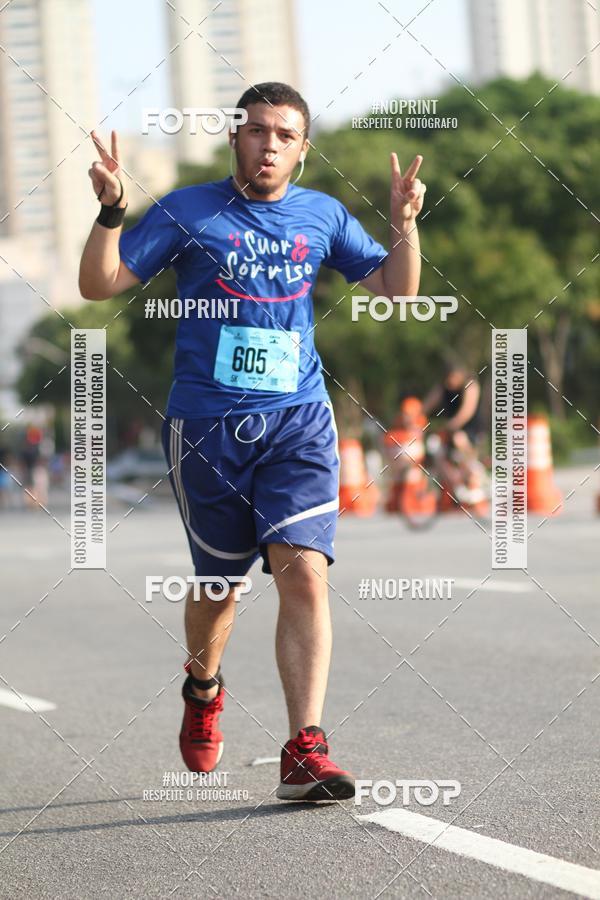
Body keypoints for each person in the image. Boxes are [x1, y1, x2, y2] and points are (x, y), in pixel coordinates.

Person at [79, 82, 425, 802]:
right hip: (206, 427)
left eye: (285, 135)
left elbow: (396, 287)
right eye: (257, 130)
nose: (269, 144)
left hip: (298, 418)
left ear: (302, 149)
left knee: (303, 570)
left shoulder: (321, 214)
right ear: (235, 137)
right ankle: (203, 687)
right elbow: (99, 282)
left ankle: (305, 747)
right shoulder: (188, 210)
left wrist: (404, 225)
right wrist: (113, 212)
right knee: (218, 587)